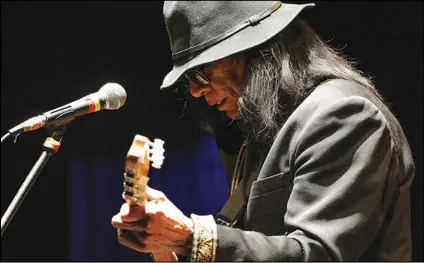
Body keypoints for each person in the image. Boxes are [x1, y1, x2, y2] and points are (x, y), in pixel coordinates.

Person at [111, 1, 415, 261]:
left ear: (255, 54)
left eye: (201, 73)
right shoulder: (264, 127)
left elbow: (317, 254)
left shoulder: (344, 115)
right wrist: (172, 244)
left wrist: (194, 238)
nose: (193, 91)